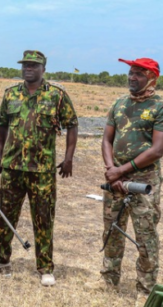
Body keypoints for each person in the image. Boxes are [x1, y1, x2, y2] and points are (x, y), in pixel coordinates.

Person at [0, 50, 78, 286]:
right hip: (12, 168)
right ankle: (2, 258)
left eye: (33, 65)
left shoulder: (57, 95)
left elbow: (72, 125)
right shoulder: (11, 94)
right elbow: (2, 127)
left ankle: (45, 267)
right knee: (6, 215)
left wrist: (68, 159)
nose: (28, 69)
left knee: (43, 219)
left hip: (42, 170)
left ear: (43, 68)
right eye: (25, 65)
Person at [99, 58, 163, 306]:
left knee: (145, 234)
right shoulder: (119, 103)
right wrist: (110, 169)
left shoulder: (159, 106)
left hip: (144, 181)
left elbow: (158, 149)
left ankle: (145, 289)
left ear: (152, 78)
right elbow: (106, 140)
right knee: (112, 229)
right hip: (115, 178)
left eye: (138, 73)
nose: (132, 77)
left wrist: (122, 170)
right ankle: (108, 278)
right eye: (130, 72)